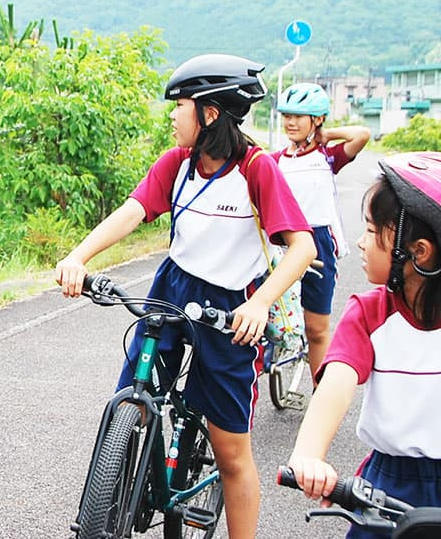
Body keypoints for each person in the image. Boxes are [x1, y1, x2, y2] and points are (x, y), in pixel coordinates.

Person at [56, 54, 316, 539]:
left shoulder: (256, 169)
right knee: (130, 403)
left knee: (231, 453)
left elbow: (303, 247)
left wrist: (259, 304)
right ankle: (109, 503)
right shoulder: (177, 163)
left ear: (210, 113)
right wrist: (78, 256)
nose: (173, 116)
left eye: (181, 106)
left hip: (232, 309)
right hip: (172, 289)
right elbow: (133, 211)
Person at [288, 152, 441, 538]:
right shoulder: (369, 313)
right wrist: (308, 454)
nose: (360, 241)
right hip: (389, 486)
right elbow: (336, 385)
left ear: (419, 251)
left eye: (371, 231)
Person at [274, 83, 371, 380]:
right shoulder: (275, 160)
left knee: (316, 329)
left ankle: (320, 391)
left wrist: (327, 135)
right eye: (287, 115)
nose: (290, 122)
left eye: (299, 116)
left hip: (319, 243)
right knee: (270, 317)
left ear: (317, 119)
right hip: (282, 241)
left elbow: (362, 134)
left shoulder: (328, 155)